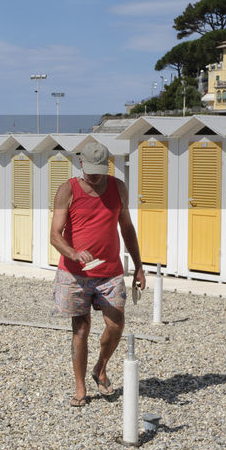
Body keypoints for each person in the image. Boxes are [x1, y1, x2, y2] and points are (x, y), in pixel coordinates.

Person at [49, 144, 145, 407]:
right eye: (91, 172)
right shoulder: (67, 190)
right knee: (80, 329)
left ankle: (100, 368)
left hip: (110, 271)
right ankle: (80, 387)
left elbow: (127, 228)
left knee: (116, 325)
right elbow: (55, 235)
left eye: (99, 172)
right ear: (81, 165)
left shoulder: (118, 188)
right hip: (75, 273)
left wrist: (138, 266)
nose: (95, 176)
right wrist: (73, 252)